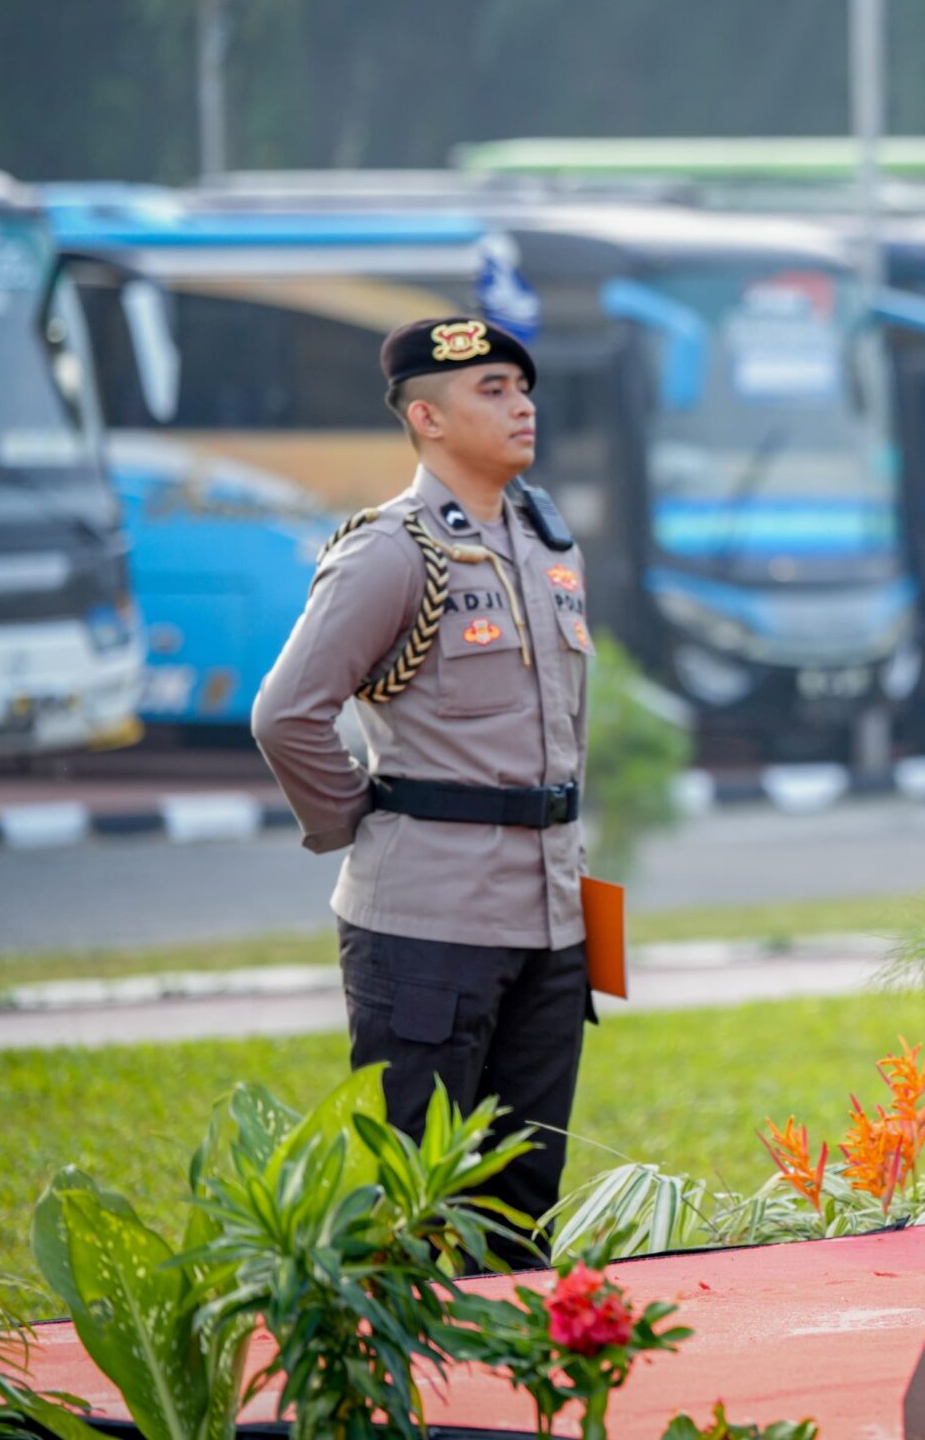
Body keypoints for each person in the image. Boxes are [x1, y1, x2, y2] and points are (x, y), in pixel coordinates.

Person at [252, 317, 594, 1247]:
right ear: (426, 417)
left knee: (524, 1203)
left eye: (525, 387)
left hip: (552, 921)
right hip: (427, 923)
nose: (522, 404)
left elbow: (564, 732)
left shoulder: (548, 544)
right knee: (416, 1203)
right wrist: (359, 822)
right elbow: (287, 712)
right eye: (493, 389)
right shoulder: (392, 550)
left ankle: (513, 1385)